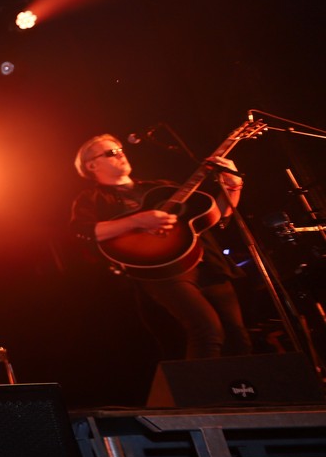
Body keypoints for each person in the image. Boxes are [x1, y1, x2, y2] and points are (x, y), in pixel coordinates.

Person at [69, 133, 248, 360]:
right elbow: (83, 232)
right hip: (163, 273)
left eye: (121, 149)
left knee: (238, 338)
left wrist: (233, 185)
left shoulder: (162, 187)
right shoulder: (91, 199)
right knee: (207, 331)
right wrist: (137, 221)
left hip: (208, 263)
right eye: (111, 152)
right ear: (92, 165)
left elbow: (217, 214)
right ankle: (201, 384)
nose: (121, 154)